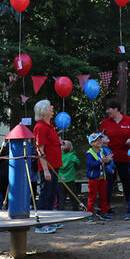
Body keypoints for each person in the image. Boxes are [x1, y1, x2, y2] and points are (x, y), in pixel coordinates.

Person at [98, 99, 130, 209]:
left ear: (116, 109)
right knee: (108, 183)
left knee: (127, 182)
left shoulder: (128, 120)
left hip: (126, 157)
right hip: (109, 158)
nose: (107, 111)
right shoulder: (105, 122)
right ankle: (105, 207)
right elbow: (99, 137)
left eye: (109, 109)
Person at [33, 99, 62, 232]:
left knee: (52, 194)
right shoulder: (40, 127)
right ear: (44, 110)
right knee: (45, 195)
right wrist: (45, 170)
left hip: (54, 165)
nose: (52, 107)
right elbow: (40, 150)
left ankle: (49, 221)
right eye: (50, 106)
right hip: (47, 167)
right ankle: (40, 224)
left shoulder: (49, 125)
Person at [85, 132, 112, 222]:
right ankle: (89, 214)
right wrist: (101, 160)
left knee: (104, 196)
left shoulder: (102, 151)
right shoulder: (89, 153)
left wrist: (108, 160)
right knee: (92, 197)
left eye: (100, 140)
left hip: (103, 177)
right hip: (94, 178)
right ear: (91, 143)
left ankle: (104, 213)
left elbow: (105, 163)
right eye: (96, 140)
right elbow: (91, 165)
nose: (99, 141)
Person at [57, 141, 80, 211]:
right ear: (71, 148)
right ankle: (76, 210)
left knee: (61, 197)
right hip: (70, 179)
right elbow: (78, 164)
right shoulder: (72, 156)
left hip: (60, 180)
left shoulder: (59, 156)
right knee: (73, 196)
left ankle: (60, 210)